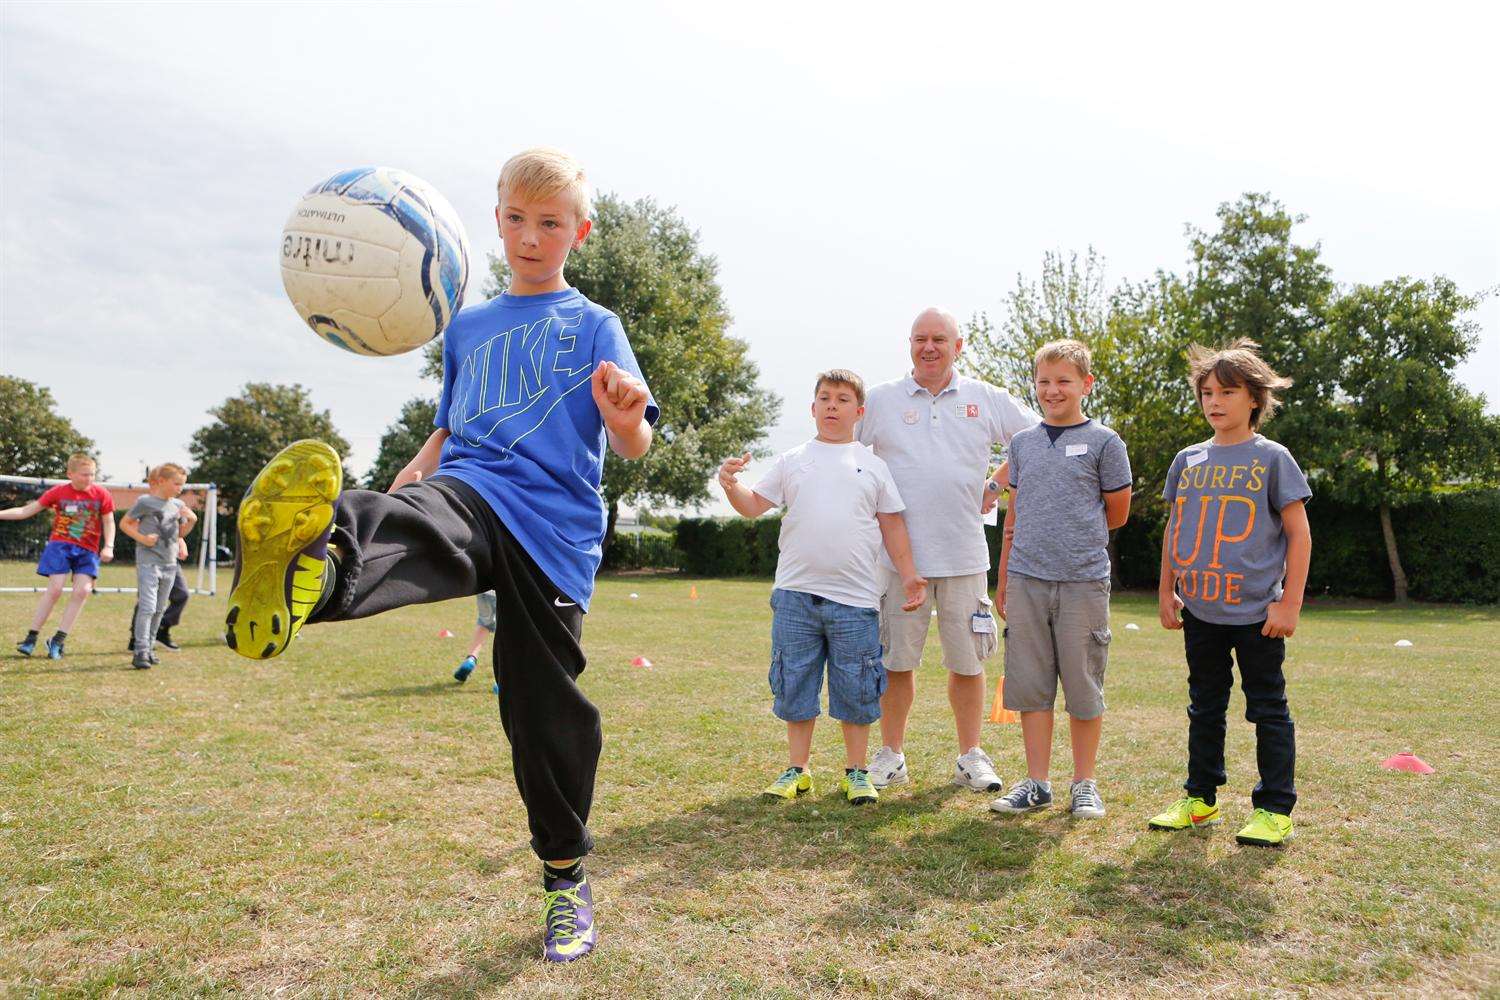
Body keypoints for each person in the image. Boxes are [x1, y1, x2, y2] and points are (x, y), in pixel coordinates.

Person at [223, 147, 657, 962]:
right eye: (518, 220)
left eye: (550, 224)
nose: (532, 237)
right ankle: (307, 567)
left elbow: (632, 442)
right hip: (471, 490)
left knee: (543, 713)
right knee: (402, 524)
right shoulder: (464, 325)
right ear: (495, 222)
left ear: (579, 232)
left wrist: (627, 413)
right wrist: (416, 472)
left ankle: (566, 882)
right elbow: (453, 422)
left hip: (555, 535)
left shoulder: (594, 324)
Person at [718, 370, 926, 807]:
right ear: (813, 408)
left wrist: (909, 575)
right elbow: (754, 506)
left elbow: (893, 525)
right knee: (795, 682)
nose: (833, 406)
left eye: (843, 399)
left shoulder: (873, 465)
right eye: (825, 398)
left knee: (857, 686)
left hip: (855, 600)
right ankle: (799, 769)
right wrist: (731, 485)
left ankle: (856, 772)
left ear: (859, 411)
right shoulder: (793, 459)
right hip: (795, 595)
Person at [856, 307, 1039, 793]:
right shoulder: (881, 400)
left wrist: (997, 484)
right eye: (920, 339)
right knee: (897, 663)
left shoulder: (985, 397)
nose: (929, 347)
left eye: (940, 339)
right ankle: (891, 755)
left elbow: (1036, 439)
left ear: (959, 347)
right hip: (899, 562)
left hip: (963, 557)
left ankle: (970, 756)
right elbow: (844, 450)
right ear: (909, 345)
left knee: (968, 663)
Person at [1150, 339, 1310, 848]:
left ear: (1255, 399)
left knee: (1267, 706)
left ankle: (1274, 809)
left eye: (1227, 392)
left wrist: (1289, 603)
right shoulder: (1188, 460)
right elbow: (1176, 530)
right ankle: (1200, 800)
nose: (1215, 402)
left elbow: (1298, 534)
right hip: (1201, 609)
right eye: (1207, 393)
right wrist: (1166, 590)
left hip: (1258, 612)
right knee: (1204, 705)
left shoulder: (1272, 458)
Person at [989, 340, 1131, 818]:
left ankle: (1084, 783)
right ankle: (1036, 782)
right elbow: (1015, 513)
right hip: (1027, 580)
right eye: (1044, 381)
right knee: (1031, 685)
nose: (1052, 390)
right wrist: (1006, 574)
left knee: (1083, 684)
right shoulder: (1023, 444)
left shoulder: (1105, 443)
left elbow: (1117, 514)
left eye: (1064, 381)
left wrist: (1073, 543)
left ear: (1086, 385)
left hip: (1082, 583)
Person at [3, 453, 115, 659]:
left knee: (83, 591)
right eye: (83, 475)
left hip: (87, 550)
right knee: (54, 590)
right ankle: (30, 638)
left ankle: (57, 641)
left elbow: (108, 522)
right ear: (70, 474)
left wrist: (108, 545)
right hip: (60, 546)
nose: (88, 479)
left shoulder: (102, 494)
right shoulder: (58, 492)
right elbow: (27, 510)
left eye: (91, 474)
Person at [119, 464, 197, 670]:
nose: (180, 488)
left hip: (170, 564)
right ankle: (140, 651)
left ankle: (150, 648)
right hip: (148, 562)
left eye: (183, 484)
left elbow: (178, 534)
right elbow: (125, 523)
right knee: (147, 607)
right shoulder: (145, 502)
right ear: (161, 481)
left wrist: (191, 521)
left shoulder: (178, 504)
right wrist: (142, 539)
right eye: (177, 483)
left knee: (160, 609)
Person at [453, 591, 497, 691]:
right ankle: (502, 680)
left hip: (484, 590)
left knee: (484, 623)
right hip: (505, 588)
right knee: (506, 629)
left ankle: (471, 659)